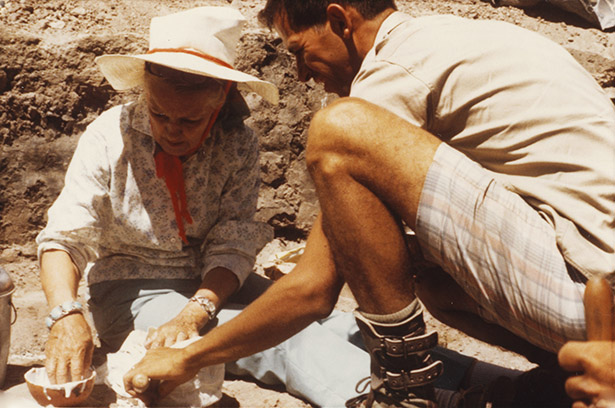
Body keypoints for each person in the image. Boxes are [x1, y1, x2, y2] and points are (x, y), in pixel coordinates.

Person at [124, 1, 615, 407]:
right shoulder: (462, 39)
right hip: (594, 297)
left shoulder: (393, 70)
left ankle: (403, 391)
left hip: (593, 293)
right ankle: (556, 383)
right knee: (422, 271)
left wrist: (190, 357)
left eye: (301, 51)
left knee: (340, 127)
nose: (299, 72)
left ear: (341, 20)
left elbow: (313, 289)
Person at [37, 6, 376, 407]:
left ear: (219, 103)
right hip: (132, 289)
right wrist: (66, 312)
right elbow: (66, 234)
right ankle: (383, 399)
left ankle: (462, 378)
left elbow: (232, 241)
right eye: (159, 114)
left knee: (321, 321)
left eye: (190, 120)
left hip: (215, 281)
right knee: (282, 341)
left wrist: (197, 309)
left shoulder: (237, 143)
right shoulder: (111, 135)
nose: (172, 130)